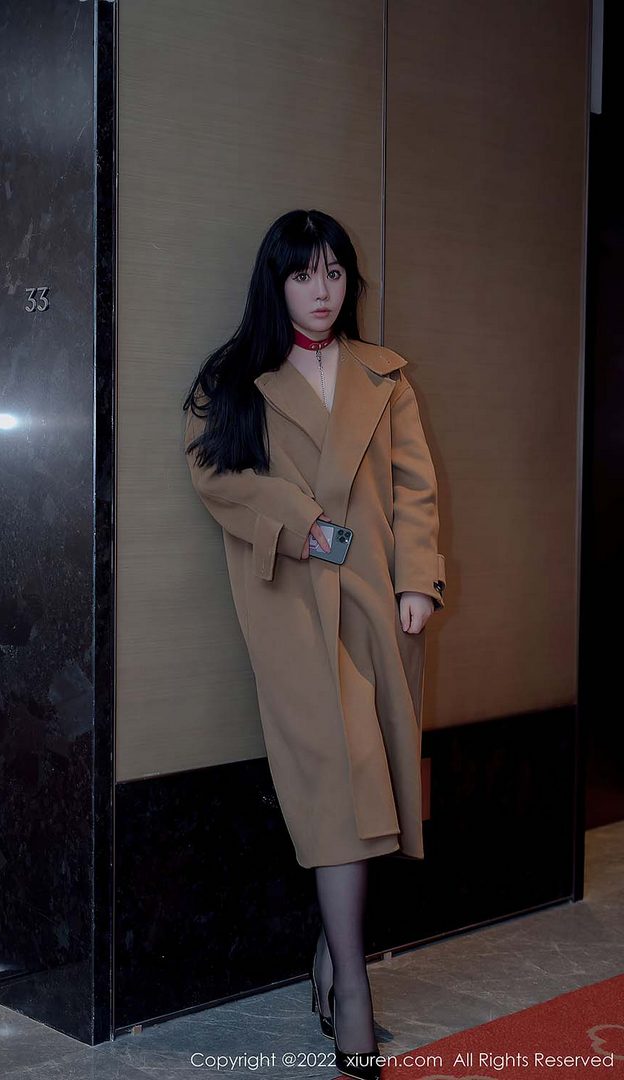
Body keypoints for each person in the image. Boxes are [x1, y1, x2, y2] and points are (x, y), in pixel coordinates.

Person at [183, 209, 446, 1080]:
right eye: (303, 274)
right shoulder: (233, 380)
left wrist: (418, 581)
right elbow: (215, 474)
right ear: (277, 283)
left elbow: (415, 486)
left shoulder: (385, 376)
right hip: (292, 609)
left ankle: (331, 958)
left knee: (375, 783)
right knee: (340, 783)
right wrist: (305, 527)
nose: (321, 291)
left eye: (334, 272)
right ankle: (353, 991)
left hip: (376, 607)